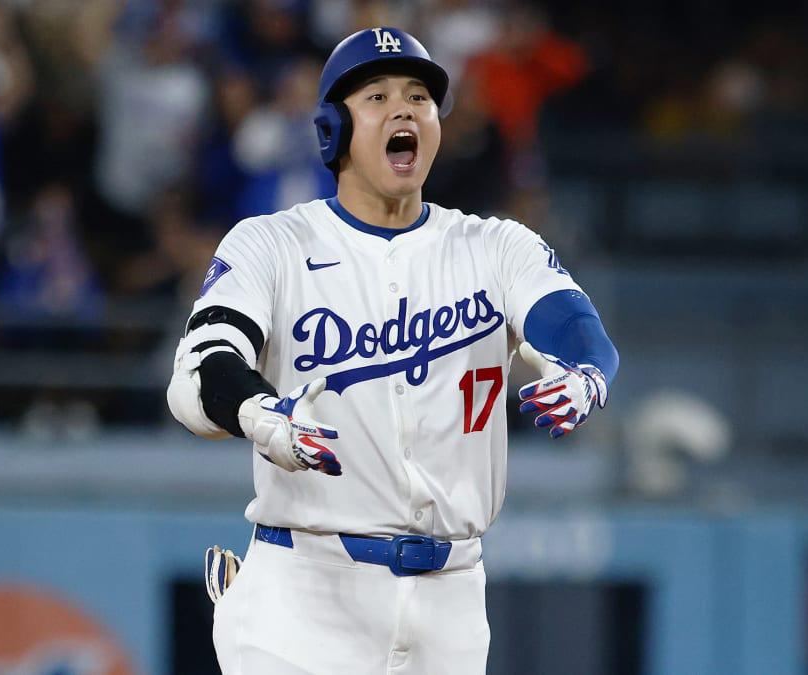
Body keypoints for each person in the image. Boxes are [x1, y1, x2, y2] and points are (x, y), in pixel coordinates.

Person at [167, 26, 619, 674]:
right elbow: (204, 367)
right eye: (376, 96)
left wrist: (585, 375)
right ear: (332, 130)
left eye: (419, 96)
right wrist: (257, 411)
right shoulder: (270, 243)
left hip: (452, 594)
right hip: (306, 584)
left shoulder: (495, 246)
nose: (404, 108)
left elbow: (577, 327)